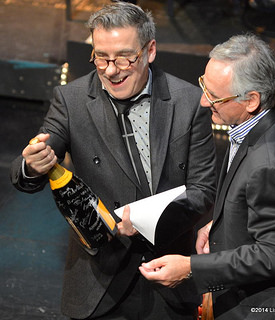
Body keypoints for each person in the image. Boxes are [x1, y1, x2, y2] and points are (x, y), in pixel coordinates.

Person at [10, 1, 216, 319]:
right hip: (97, 282)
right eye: (101, 57)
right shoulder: (71, 100)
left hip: (168, 277)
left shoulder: (189, 102)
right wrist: (31, 165)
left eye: (123, 58)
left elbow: (204, 189)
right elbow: (26, 170)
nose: (110, 70)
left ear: (150, 50)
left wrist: (148, 222)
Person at [139, 33, 275, 319]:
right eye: (204, 85)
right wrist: (223, 223)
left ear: (252, 100)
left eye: (216, 97)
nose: (204, 102)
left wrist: (191, 268)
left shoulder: (269, 164)